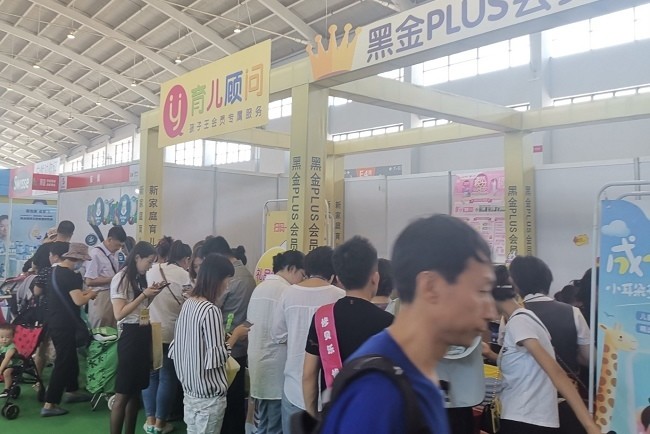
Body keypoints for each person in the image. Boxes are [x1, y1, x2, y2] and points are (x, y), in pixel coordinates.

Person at [319, 214, 497, 434]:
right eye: (481, 291)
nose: (490, 311)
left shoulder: (417, 374)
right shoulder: (378, 390)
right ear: (430, 287)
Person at [491, 281, 600, 434]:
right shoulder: (523, 318)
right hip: (526, 415)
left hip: (526, 418)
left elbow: (556, 372)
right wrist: (489, 353)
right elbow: (525, 365)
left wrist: (590, 426)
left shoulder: (520, 322)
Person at [303, 236, 394, 417]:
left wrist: (313, 418)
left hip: (334, 416)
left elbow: (308, 374)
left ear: (339, 279)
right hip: (375, 416)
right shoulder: (389, 322)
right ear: (375, 278)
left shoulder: (323, 317)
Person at [169, 253, 250, 434]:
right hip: (208, 395)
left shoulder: (189, 303)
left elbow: (180, 346)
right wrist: (235, 336)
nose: (227, 286)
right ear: (217, 279)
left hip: (190, 390)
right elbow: (217, 357)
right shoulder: (210, 310)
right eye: (227, 280)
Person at [271, 246, 345, 433]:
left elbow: (277, 334)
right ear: (334, 273)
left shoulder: (288, 294)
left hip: (294, 386)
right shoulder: (340, 296)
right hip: (330, 388)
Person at [201, 236, 256, 434]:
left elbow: (211, 306)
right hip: (240, 345)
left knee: (224, 403)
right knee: (235, 400)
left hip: (225, 346)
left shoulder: (229, 278)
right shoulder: (247, 274)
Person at [247, 250, 305, 434]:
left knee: (262, 421)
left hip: (257, 363)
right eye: (302, 275)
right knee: (275, 425)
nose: (302, 280)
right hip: (275, 366)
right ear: (291, 268)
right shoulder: (286, 291)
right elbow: (284, 332)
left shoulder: (259, 288)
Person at [110, 241, 164, 434]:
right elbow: (119, 314)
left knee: (136, 392)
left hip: (142, 331)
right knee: (123, 393)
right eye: (148, 262)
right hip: (130, 336)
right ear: (137, 257)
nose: (150, 266)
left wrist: (152, 295)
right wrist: (143, 295)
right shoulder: (121, 278)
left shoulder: (139, 277)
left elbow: (141, 308)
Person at [41, 243, 97, 417]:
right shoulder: (71, 276)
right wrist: (91, 294)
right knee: (63, 361)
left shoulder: (54, 272)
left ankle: (72, 390)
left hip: (55, 321)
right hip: (65, 323)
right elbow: (78, 300)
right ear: (76, 258)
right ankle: (50, 403)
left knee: (70, 356)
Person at [142, 240, 192, 434]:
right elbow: (190, 301)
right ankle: (161, 423)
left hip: (150, 329)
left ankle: (149, 420)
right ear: (185, 258)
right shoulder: (183, 274)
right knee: (167, 377)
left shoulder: (151, 270)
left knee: (151, 376)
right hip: (171, 332)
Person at [86, 226, 127, 328]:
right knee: (100, 327)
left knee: (112, 328)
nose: (119, 248)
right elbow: (89, 281)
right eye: (117, 245)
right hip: (100, 296)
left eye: (121, 246)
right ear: (109, 239)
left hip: (113, 294)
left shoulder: (115, 253)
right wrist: (113, 279)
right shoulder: (95, 254)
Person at [0, 324, 18, 398]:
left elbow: (7, 359)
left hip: (14, 365)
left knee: (6, 372)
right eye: (1, 337)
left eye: (7, 337)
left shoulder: (12, 348)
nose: (4, 339)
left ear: (13, 337)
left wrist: (0, 370)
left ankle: (7, 390)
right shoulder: (1, 346)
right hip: (5, 364)